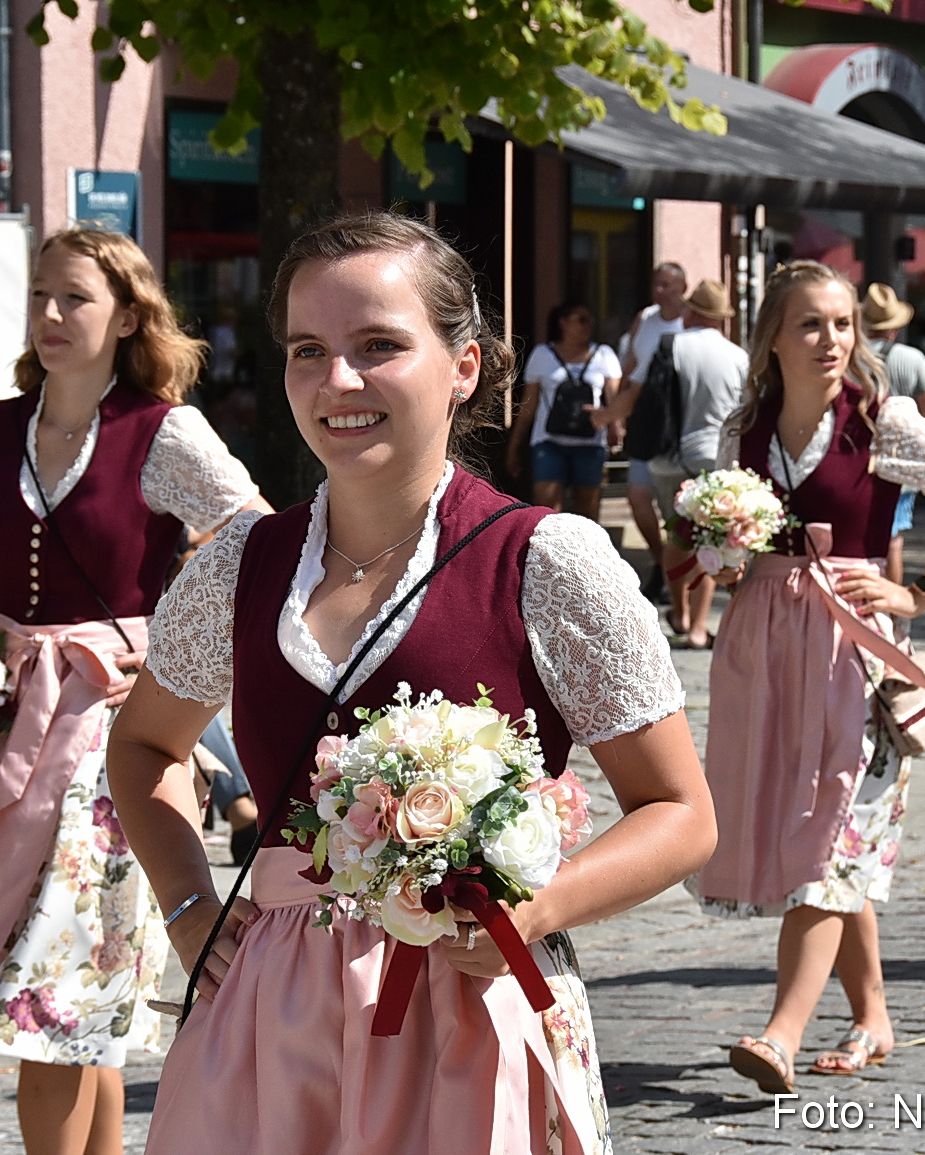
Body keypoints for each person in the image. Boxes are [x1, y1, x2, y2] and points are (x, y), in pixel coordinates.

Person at [105, 211, 717, 1153]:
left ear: (463, 365)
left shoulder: (545, 561)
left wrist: (539, 906)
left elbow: (680, 810)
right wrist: (190, 908)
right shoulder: (242, 562)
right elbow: (144, 746)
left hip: (469, 1003)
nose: (337, 380)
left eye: (379, 345)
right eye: (308, 349)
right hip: (277, 1011)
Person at [0, 227, 264, 1155]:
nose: (49, 314)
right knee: (78, 1004)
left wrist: (169, 649)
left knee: (56, 990)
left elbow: (255, 541)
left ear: (126, 316)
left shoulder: (165, 434)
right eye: (41, 294)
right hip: (8, 721)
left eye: (73, 298)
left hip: (112, 740)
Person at [692, 260, 925, 1094]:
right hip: (765, 655)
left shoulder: (883, 420)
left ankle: (781, 1033)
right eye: (810, 324)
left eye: (842, 325)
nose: (831, 340)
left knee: (829, 841)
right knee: (834, 839)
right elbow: (728, 555)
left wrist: (919, 589)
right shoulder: (745, 429)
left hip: (856, 655)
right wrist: (726, 555)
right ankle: (872, 1014)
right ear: (773, 337)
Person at [595, 279, 746, 648]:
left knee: (676, 534)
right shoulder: (738, 357)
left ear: (691, 311)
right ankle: (697, 627)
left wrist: (604, 416)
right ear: (721, 318)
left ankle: (678, 609)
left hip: (668, 457)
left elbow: (634, 394)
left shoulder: (670, 345)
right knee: (709, 538)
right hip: (716, 459)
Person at [506, 301, 622, 519]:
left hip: (590, 442)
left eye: (590, 321)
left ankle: (586, 552)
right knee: (546, 507)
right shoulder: (542, 355)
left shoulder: (604, 355)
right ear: (563, 323)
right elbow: (528, 406)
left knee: (587, 507)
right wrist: (514, 447)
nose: (587, 326)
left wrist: (616, 427)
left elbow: (614, 399)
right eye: (581, 320)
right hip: (549, 442)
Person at [861, 284, 925, 585]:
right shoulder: (913, 359)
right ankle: (891, 612)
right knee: (893, 539)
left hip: (855, 458)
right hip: (899, 463)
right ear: (895, 327)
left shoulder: (846, 358)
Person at [621, 262, 690, 601]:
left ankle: (673, 574)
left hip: (677, 423)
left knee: (674, 506)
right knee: (637, 496)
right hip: (644, 418)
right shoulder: (645, 318)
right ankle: (662, 561)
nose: (659, 290)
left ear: (683, 288)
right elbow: (630, 365)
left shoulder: (690, 320)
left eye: (667, 284)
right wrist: (619, 411)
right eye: (656, 283)